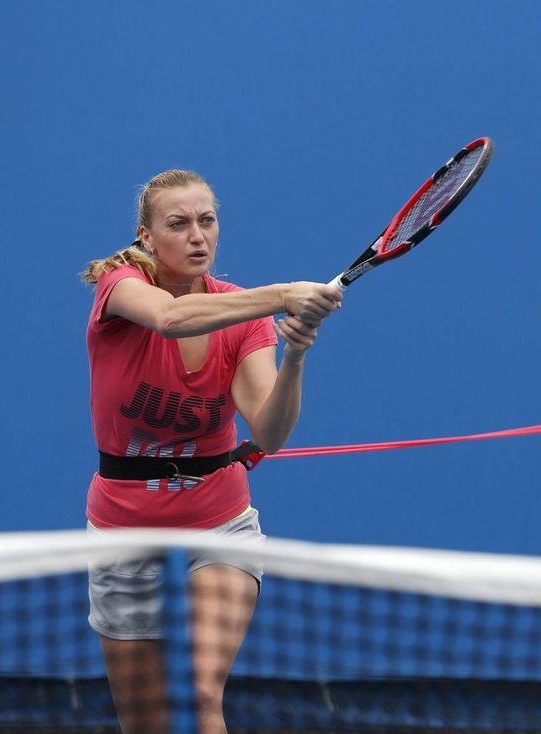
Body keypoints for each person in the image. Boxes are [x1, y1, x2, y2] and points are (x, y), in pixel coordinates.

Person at [80, 169, 341, 733]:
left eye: (207, 220)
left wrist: (294, 357)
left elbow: (268, 434)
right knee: (144, 719)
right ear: (148, 236)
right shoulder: (121, 287)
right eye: (178, 224)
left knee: (201, 696)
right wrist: (278, 295)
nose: (197, 235)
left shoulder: (245, 322)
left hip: (218, 525)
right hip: (124, 527)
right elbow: (170, 319)